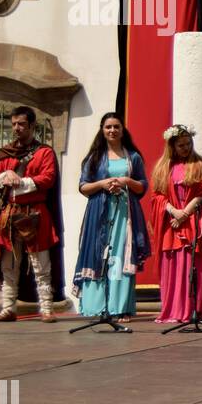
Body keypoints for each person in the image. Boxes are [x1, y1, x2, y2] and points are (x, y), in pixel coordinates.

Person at [0, 105, 64, 322]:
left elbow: (48, 178)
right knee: (9, 265)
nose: (17, 128)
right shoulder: (5, 153)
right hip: (9, 215)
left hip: (35, 214)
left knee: (41, 264)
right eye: (13, 124)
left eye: (21, 124)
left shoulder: (44, 152)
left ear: (32, 125)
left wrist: (20, 181)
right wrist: (5, 175)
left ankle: (47, 309)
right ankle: (8, 308)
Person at [73, 113, 151, 320]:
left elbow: (143, 185)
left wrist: (125, 180)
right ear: (102, 129)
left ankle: (120, 308)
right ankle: (96, 306)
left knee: (121, 256)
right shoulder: (94, 158)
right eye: (108, 127)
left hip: (125, 214)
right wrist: (102, 184)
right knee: (98, 254)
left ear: (122, 129)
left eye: (116, 126)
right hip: (98, 213)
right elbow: (83, 186)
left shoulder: (132, 157)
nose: (112, 130)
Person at [149, 123, 202, 323]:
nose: (186, 148)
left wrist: (185, 213)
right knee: (172, 264)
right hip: (171, 221)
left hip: (192, 220)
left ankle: (188, 310)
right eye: (181, 145)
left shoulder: (200, 164)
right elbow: (157, 196)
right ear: (172, 146)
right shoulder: (163, 168)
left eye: (188, 144)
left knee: (190, 265)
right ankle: (171, 310)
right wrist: (174, 212)